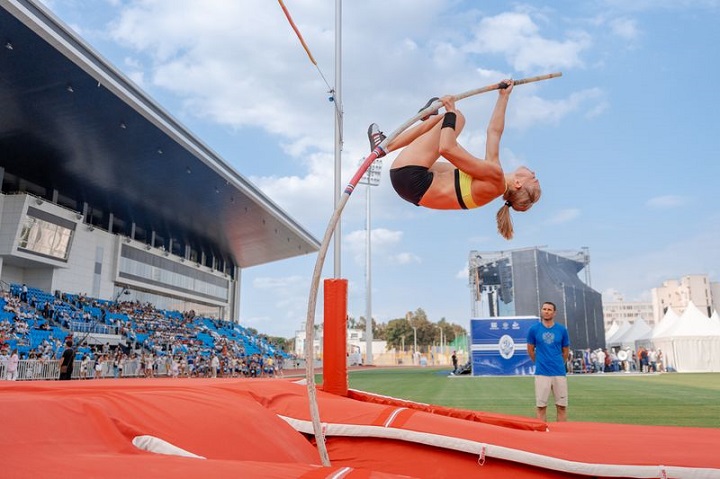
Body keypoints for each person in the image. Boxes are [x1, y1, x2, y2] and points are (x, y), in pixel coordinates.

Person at [368, 79, 541, 240]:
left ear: (518, 183)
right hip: (412, 184)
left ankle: (386, 146)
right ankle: (431, 122)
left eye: (533, 178)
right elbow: (494, 132)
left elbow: (447, 149)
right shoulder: (494, 177)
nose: (533, 173)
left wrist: (451, 112)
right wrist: (504, 97)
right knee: (447, 124)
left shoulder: (494, 177)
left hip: (411, 177)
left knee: (457, 119)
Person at [527, 301, 570, 422]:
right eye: (544, 309)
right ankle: (542, 436)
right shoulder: (534, 329)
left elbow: (565, 351)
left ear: (554, 313)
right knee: (541, 407)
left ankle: (562, 434)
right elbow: (530, 350)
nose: (546, 311)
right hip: (542, 372)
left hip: (558, 372)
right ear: (541, 311)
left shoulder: (562, 330)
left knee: (561, 407)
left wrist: (558, 363)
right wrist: (539, 361)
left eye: (549, 309)